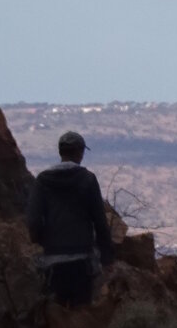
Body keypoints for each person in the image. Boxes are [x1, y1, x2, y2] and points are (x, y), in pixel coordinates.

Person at [26, 131, 115, 312]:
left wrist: (42, 240)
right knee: (81, 316)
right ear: (80, 153)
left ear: (60, 152)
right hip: (82, 261)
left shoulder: (43, 181)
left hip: (52, 261)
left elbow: (33, 220)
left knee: (54, 317)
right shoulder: (88, 180)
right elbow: (100, 221)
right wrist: (107, 258)